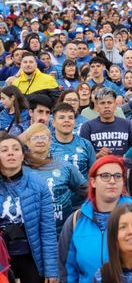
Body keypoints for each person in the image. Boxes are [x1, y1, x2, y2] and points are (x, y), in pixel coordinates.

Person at [0, 132, 58, 282]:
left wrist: (51, 270)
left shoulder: (39, 186)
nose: (11, 153)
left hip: (31, 257)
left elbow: (48, 231)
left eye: (15, 149)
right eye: (4, 150)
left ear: (23, 155)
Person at [20, 123, 88, 234]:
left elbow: (87, 191)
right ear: (27, 142)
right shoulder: (20, 168)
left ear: (50, 141)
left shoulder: (65, 166)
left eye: (44, 137)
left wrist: (79, 215)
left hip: (62, 232)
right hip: (31, 234)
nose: (40, 140)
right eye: (35, 137)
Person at [80, 87, 132, 157]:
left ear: (115, 105)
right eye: (102, 103)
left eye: (109, 103)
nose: (106, 106)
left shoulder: (127, 125)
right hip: (98, 167)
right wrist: (97, 155)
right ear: (97, 106)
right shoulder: (87, 127)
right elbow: (82, 155)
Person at [50, 103, 96, 182]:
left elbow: (94, 173)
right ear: (53, 122)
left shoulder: (86, 144)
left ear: (74, 122)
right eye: (62, 117)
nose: (66, 120)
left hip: (81, 192)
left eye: (70, 118)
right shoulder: (47, 145)